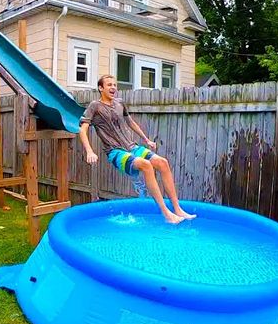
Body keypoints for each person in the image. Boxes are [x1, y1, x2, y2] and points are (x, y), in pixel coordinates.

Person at [79, 75, 196, 224]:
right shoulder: (95, 106)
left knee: (162, 162)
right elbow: (83, 130)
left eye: (115, 85)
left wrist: (146, 139)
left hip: (132, 147)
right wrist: (89, 151)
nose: (113, 87)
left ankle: (177, 208)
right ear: (101, 88)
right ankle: (167, 214)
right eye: (109, 85)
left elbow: (131, 123)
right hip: (115, 152)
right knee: (146, 165)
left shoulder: (120, 103)